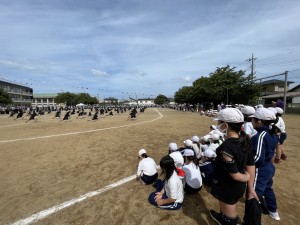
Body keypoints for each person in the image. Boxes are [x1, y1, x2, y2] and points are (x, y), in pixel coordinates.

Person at [209, 108, 254, 225]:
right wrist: (250, 187)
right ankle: (222, 217)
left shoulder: (226, 148)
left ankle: (228, 221)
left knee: (230, 212)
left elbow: (236, 175)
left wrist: (247, 177)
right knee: (225, 206)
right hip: (236, 186)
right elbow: (250, 164)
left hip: (228, 186)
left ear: (225, 125)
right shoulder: (245, 139)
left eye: (219, 123)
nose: (217, 125)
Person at [250, 107, 280, 220]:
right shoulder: (272, 133)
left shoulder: (260, 136)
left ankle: (253, 219)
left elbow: (257, 157)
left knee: (254, 193)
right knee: (268, 189)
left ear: (259, 121)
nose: (251, 121)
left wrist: (245, 164)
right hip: (269, 167)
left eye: (253, 119)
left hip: (260, 169)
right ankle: (273, 211)